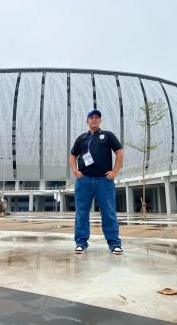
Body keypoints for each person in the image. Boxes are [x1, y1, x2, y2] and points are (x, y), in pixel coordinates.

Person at [70, 109, 124, 255]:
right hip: (84, 180)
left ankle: (114, 244)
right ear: (87, 121)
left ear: (100, 121)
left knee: (108, 212)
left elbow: (119, 152)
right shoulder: (81, 138)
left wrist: (114, 172)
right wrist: (75, 171)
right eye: (91, 117)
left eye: (97, 118)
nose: (94, 119)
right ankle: (81, 242)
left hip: (104, 180)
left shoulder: (107, 136)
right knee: (81, 213)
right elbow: (73, 155)